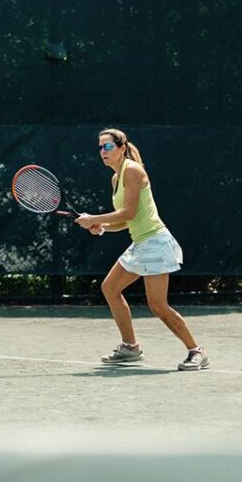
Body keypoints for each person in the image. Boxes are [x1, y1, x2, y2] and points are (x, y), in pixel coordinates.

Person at [74, 128, 209, 371]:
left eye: (107, 146)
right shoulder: (116, 179)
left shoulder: (133, 171)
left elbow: (129, 212)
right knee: (110, 288)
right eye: (100, 147)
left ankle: (196, 351)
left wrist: (94, 218)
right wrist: (102, 228)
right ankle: (130, 347)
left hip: (155, 242)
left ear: (122, 148)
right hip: (140, 243)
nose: (102, 151)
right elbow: (127, 221)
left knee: (157, 305)